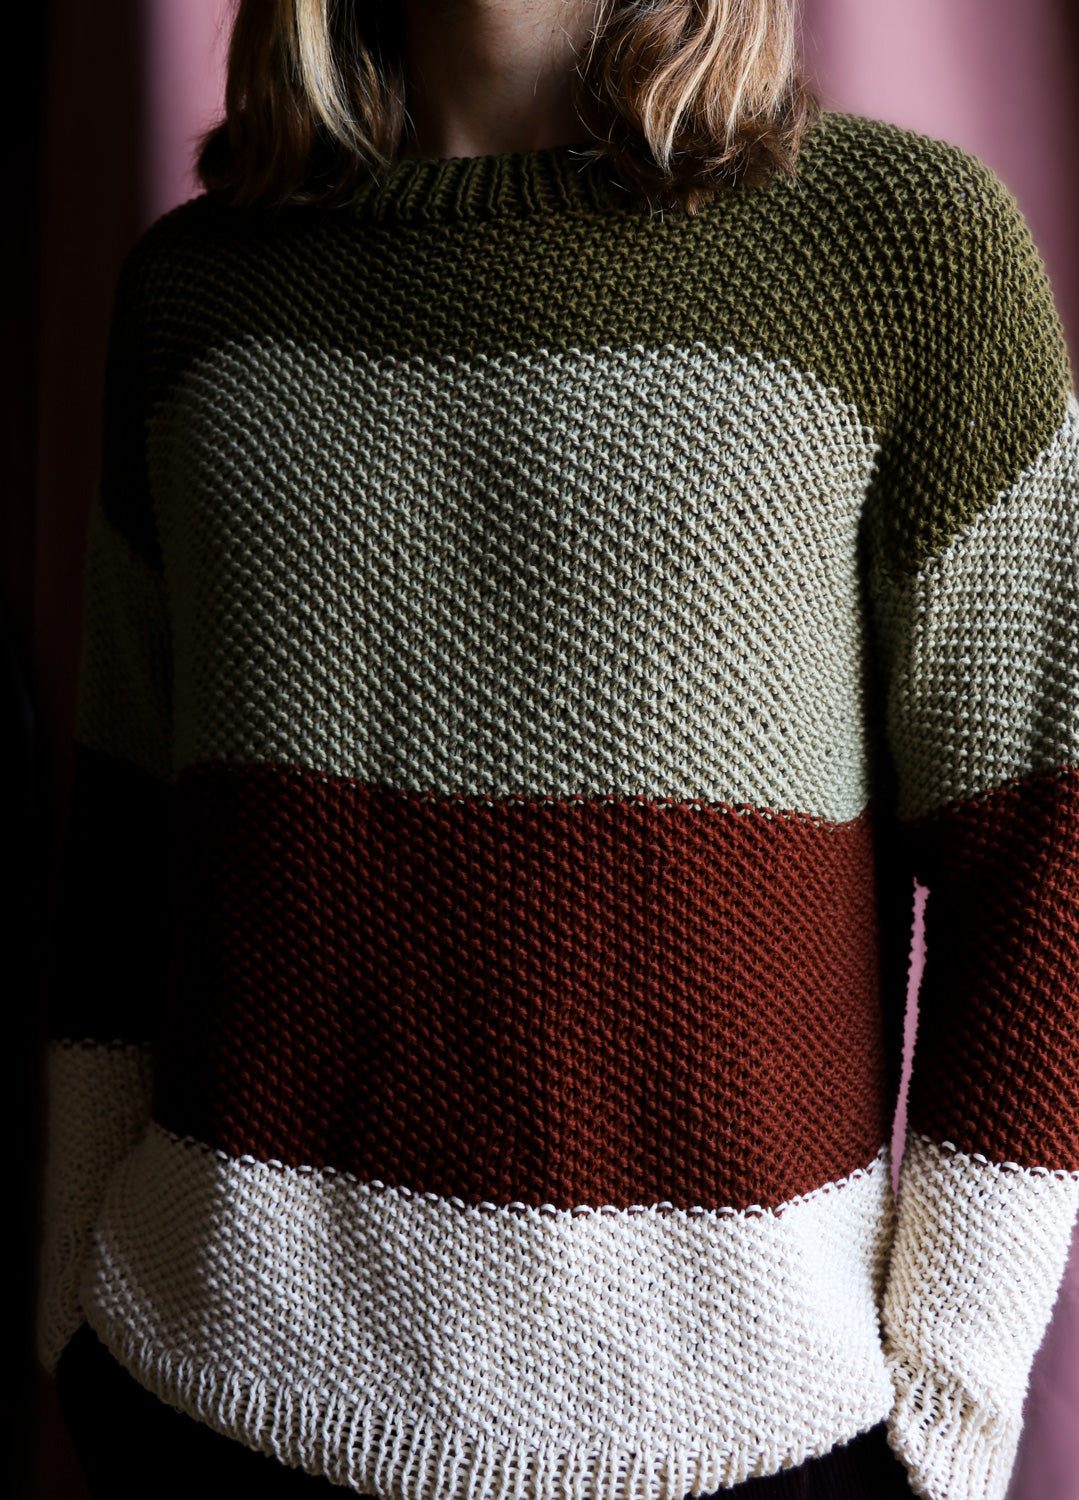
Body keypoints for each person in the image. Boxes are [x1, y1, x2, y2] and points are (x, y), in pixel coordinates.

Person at [37, 2, 1079, 1498]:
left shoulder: (904, 251)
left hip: (742, 1444)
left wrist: (952, 1404)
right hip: (203, 1398)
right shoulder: (190, 295)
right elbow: (123, 837)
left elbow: (1045, 839)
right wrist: (72, 1296)